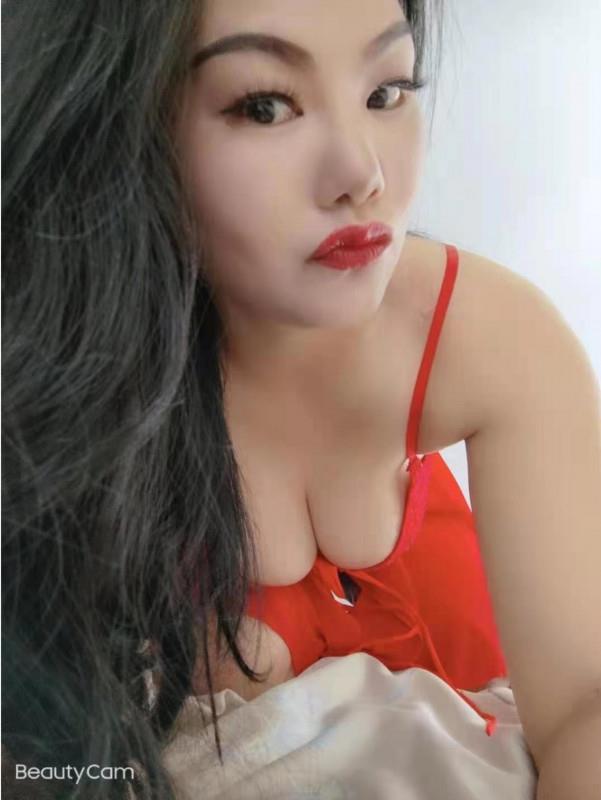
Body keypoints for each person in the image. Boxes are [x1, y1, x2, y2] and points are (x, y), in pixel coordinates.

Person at [3, 1, 600, 799]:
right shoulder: (41, 395)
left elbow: (585, 706)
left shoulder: (488, 334)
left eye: (385, 91)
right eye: (264, 106)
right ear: (116, 126)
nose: (362, 174)